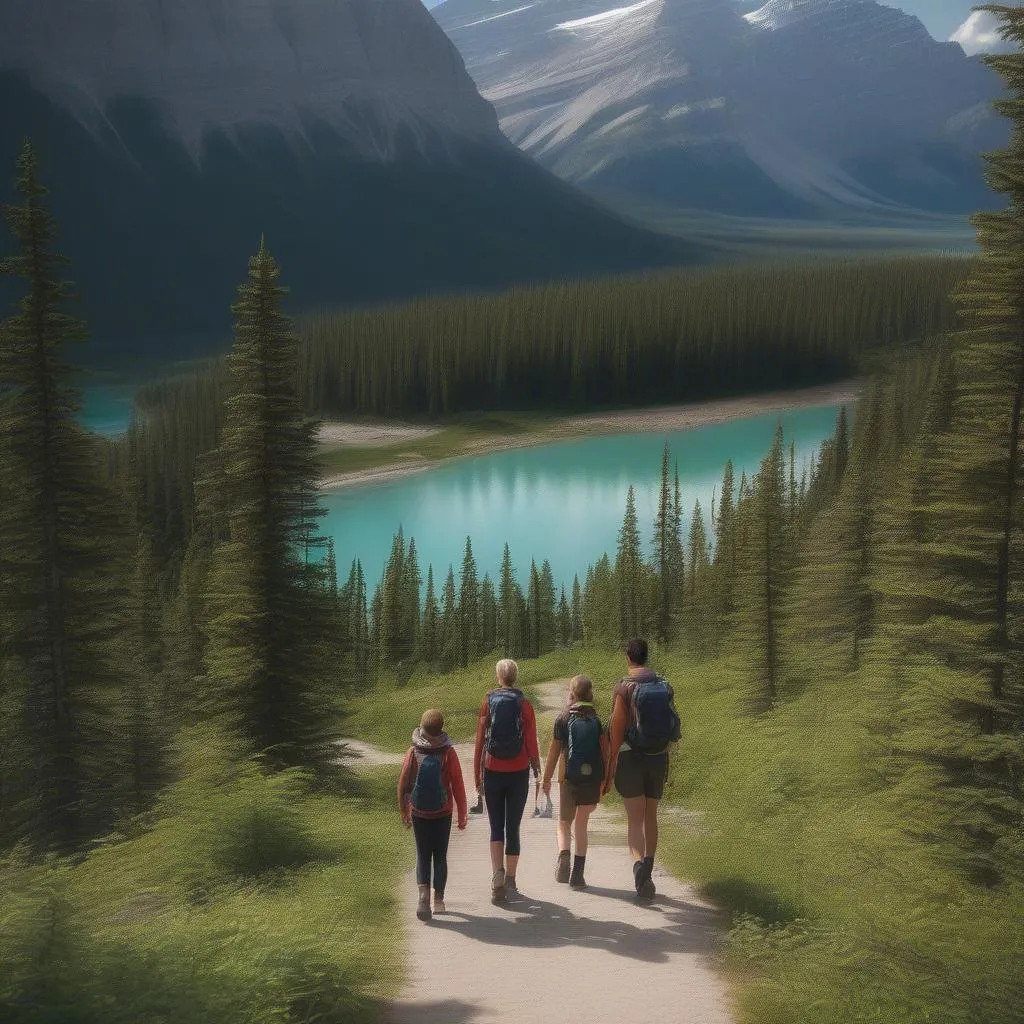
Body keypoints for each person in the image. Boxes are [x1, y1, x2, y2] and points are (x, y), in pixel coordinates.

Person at [603, 637, 681, 901]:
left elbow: (616, 729)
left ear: (628, 657)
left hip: (631, 758)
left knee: (635, 819)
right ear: (646, 656)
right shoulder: (664, 685)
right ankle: (647, 867)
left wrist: (611, 763)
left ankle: (639, 869)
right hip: (658, 757)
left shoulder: (624, 688)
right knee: (651, 816)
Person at [473, 658, 541, 903]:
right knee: (513, 827)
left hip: (492, 770)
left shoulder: (488, 702)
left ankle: (496, 876)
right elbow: (531, 741)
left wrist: (476, 773)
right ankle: (511, 880)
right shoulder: (524, 704)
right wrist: (536, 765)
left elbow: (480, 740)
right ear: (515, 676)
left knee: (495, 827)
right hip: (519, 770)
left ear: (498, 677)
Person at [397, 709, 468, 922]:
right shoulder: (448, 753)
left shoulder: (413, 752)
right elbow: (458, 784)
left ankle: (422, 896)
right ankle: (438, 901)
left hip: (419, 812)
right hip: (443, 812)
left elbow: (402, 783)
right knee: (440, 856)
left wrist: (403, 809)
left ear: (422, 728)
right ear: (441, 728)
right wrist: (462, 814)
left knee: (422, 854)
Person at [541, 674, 608, 890]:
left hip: (568, 778)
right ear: (590, 693)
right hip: (591, 778)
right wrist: (605, 778)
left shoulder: (562, 718)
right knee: (582, 824)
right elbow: (605, 752)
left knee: (563, 822)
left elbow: (553, 753)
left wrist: (546, 778)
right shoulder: (597, 721)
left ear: (571, 693)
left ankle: (564, 856)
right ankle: (578, 874)